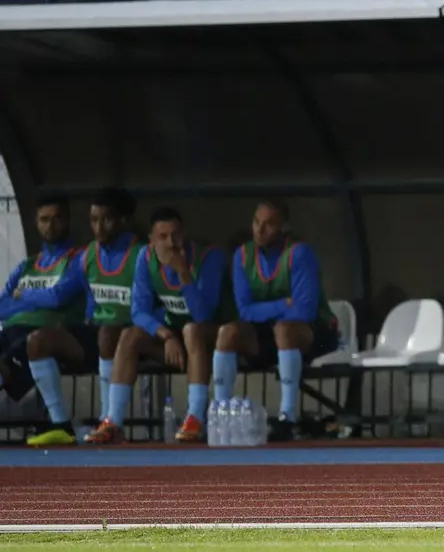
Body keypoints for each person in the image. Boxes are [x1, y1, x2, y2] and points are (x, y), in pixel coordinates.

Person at [85, 207, 236, 444]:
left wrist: (183, 272)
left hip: (210, 335)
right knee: (130, 335)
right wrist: (165, 335)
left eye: (175, 235)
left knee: (192, 330)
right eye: (163, 237)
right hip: (175, 338)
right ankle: (113, 420)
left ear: (184, 234)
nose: (171, 243)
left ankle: (195, 417)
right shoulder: (146, 258)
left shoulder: (209, 258)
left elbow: (203, 315)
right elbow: (138, 311)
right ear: (152, 240)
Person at [15, 188, 144, 436]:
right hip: (97, 333)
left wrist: (24, 294)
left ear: (123, 221)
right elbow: (83, 298)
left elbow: (149, 307)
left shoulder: (141, 255)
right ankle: (61, 425)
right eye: (93, 220)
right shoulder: (88, 255)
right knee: (37, 341)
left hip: (132, 336)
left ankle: (108, 421)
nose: (98, 228)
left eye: (107, 220)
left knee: (107, 332)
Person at [213, 199, 338, 442]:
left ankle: (287, 417)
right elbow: (244, 311)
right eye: (256, 222)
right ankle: (220, 414)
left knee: (284, 330)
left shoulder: (299, 253)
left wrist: (266, 313)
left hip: (316, 334)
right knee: (228, 332)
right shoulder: (242, 256)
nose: (260, 229)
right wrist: (282, 305)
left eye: (269, 224)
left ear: (283, 228)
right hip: (270, 334)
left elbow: (304, 310)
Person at [0, 195, 90, 446]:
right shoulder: (28, 265)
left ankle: (61, 426)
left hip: (50, 333)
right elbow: (3, 305)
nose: (50, 225)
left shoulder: (78, 259)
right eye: (44, 219)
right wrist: (34, 299)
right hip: (11, 331)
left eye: (57, 219)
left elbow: (58, 297)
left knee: (6, 365)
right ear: (36, 223)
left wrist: (23, 295)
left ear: (67, 220)